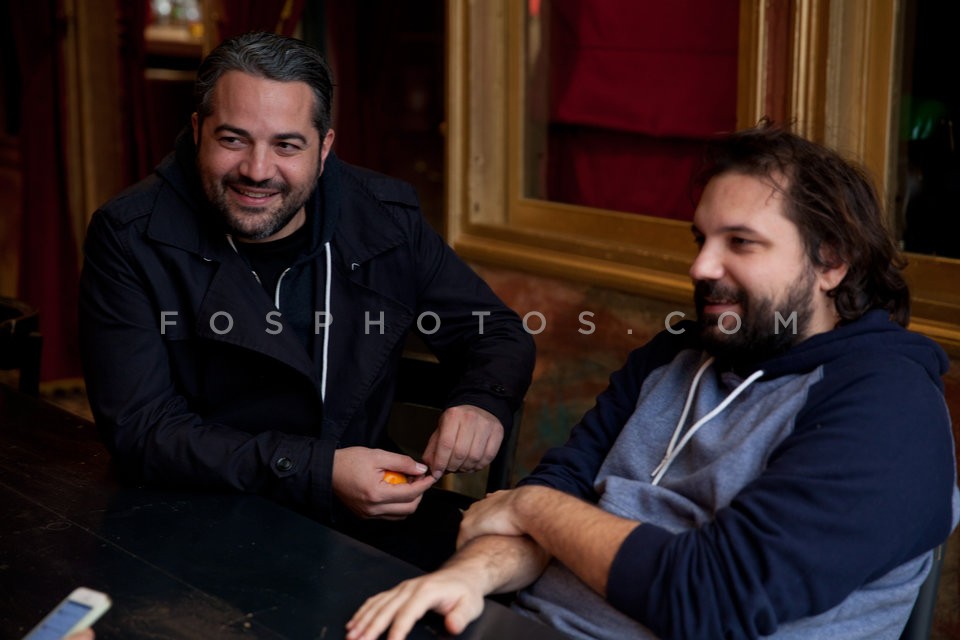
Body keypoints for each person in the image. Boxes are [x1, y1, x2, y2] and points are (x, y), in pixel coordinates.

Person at [346, 122, 960, 640]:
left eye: (741, 243)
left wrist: (531, 507)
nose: (701, 266)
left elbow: (714, 596)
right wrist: (468, 576)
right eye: (702, 239)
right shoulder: (675, 355)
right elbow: (563, 484)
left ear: (832, 261)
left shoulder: (888, 408)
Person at [78, 32, 534, 543]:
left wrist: (482, 401)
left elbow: (496, 331)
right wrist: (320, 469)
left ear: (324, 148)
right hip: (191, 517)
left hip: (359, 527)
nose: (257, 170)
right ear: (197, 130)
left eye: (287, 145)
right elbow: (142, 430)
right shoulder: (130, 235)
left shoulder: (384, 218)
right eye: (233, 139)